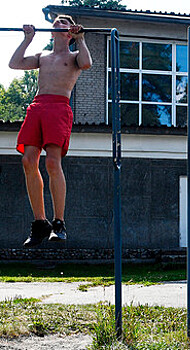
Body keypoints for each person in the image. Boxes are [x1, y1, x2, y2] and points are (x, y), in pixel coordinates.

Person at [9, 15, 92, 247]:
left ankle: (59, 222)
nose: (57, 25)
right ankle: (40, 222)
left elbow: (87, 64)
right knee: (28, 161)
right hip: (38, 106)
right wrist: (27, 39)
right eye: (55, 23)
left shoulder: (74, 56)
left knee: (52, 163)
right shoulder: (42, 56)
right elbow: (14, 63)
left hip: (58, 108)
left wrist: (81, 38)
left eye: (63, 23)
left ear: (69, 33)